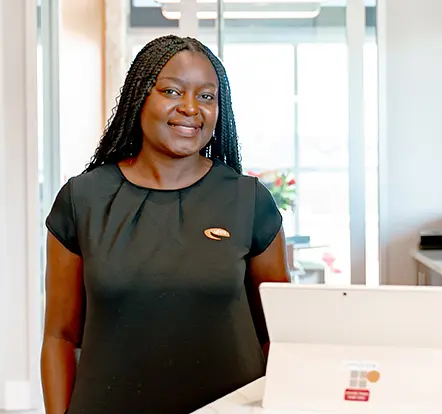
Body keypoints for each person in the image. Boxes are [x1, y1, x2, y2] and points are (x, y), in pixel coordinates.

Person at [40, 35, 290, 414]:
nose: (191, 108)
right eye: (173, 91)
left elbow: (279, 335)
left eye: (207, 96)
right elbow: (60, 336)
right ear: (140, 97)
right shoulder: (83, 199)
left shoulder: (249, 200)